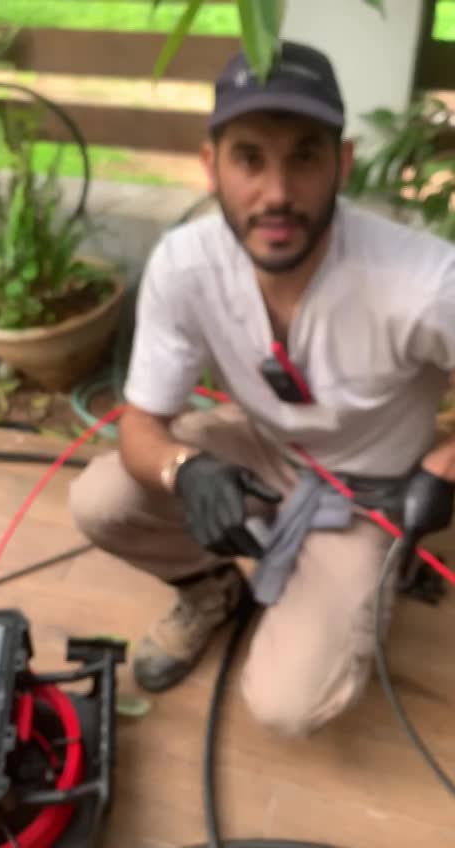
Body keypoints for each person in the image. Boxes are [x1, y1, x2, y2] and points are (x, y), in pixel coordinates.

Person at [70, 41, 455, 737]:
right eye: (249, 159)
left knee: (288, 705)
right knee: (101, 500)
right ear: (210, 165)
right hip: (262, 451)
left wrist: (441, 467)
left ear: (342, 163)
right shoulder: (185, 265)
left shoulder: (423, 282)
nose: (276, 194)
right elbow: (141, 425)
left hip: (368, 493)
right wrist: (186, 470)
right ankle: (211, 588)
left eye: (304, 157)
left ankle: (384, 566)